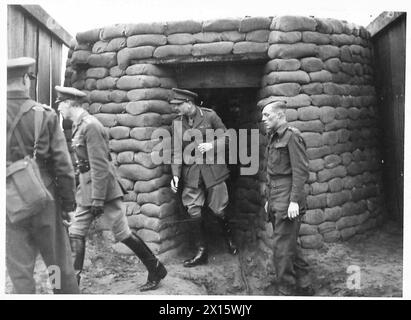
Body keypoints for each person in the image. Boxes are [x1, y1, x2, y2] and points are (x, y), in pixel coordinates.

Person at [55, 86, 167, 292]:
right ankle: (70, 288)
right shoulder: (80, 125)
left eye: (61, 104)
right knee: (76, 232)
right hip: (89, 188)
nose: (59, 108)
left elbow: (99, 165)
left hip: (103, 189)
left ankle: (156, 268)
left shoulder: (91, 126)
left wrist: (97, 199)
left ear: (70, 104)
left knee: (122, 232)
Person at [6, 57, 79, 294]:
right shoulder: (44, 115)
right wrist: (68, 204)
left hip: (9, 206)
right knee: (57, 264)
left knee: (20, 270)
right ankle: (60, 293)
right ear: (26, 80)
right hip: (45, 201)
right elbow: (63, 165)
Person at [169, 88, 238, 268]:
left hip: (213, 170)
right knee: (193, 209)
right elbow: (176, 152)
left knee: (218, 209)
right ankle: (201, 252)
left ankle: (229, 238)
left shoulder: (210, 116)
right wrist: (175, 176)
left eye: (178, 105)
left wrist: (211, 145)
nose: (175, 109)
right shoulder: (177, 123)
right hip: (192, 172)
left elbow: (229, 137)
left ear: (189, 103)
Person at [261, 98, 314, 296]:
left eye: (267, 115)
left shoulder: (292, 137)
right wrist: (269, 198)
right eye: (263, 115)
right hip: (276, 195)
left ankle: (286, 290)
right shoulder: (273, 136)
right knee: (287, 243)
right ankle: (306, 284)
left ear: (280, 115)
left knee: (281, 248)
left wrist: (294, 201)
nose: (263, 119)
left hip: (287, 196)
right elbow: (271, 171)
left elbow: (300, 172)